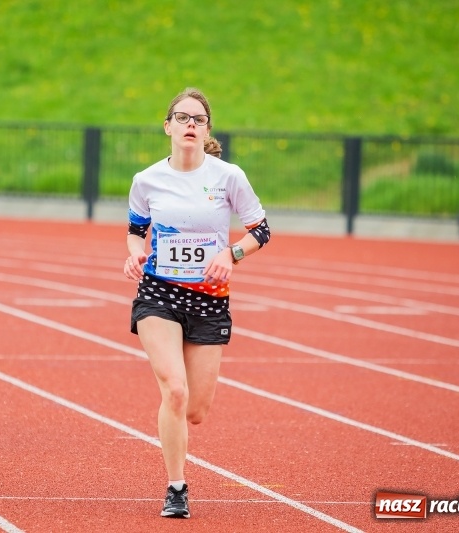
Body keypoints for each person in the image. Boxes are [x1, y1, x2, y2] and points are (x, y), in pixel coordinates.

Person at [123, 88, 270, 518]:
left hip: (209, 300)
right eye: (182, 118)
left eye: (199, 119)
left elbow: (260, 230)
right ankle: (176, 487)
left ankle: (179, 453)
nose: (190, 125)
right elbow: (136, 230)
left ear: (207, 130)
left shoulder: (229, 177)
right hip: (159, 295)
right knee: (175, 390)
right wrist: (134, 253)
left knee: (197, 410)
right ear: (167, 125)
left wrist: (231, 254)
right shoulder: (146, 180)